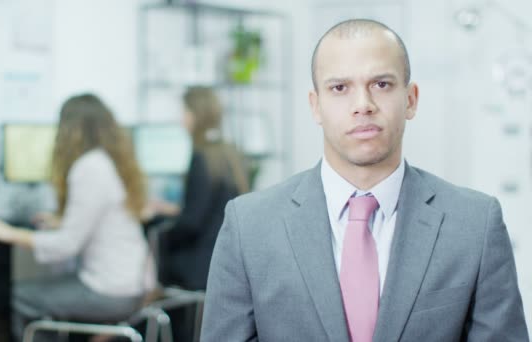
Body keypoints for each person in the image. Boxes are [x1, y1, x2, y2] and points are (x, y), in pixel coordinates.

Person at [201, 19, 528, 341]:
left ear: (411, 99)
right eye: (340, 88)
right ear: (316, 106)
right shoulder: (249, 226)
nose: (363, 105)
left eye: (381, 84)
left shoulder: (474, 223)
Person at [0, 94, 153, 340]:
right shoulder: (108, 161)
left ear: (71, 129)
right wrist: (62, 222)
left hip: (111, 291)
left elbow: (66, 246)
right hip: (134, 285)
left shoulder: (88, 167)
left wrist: (10, 233)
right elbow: (102, 220)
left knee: (14, 295)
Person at [151, 86, 249, 291]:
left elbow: (191, 224)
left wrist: (163, 231)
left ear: (195, 116)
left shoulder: (201, 158)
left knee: (155, 236)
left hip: (199, 265)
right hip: (225, 259)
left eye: (184, 113)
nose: (181, 120)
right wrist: (175, 211)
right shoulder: (230, 154)